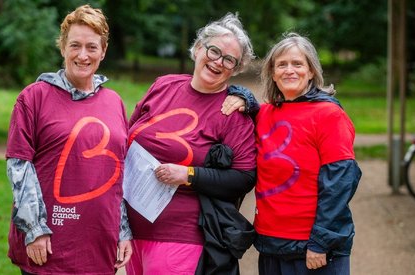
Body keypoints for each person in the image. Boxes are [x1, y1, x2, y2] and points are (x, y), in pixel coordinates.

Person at [124, 12, 257, 275]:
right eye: (214, 50)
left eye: (229, 59)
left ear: (236, 68)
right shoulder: (164, 85)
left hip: (181, 237)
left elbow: (244, 176)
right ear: (198, 48)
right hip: (133, 232)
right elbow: (127, 136)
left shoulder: (232, 112)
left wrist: (189, 175)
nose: (218, 61)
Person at [5, 5, 132, 274]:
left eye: (91, 47)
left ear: (104, 51)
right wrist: (35, 229)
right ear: (62, 47)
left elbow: (120, 173)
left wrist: (123, 230)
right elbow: (19, 166)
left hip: (99, 243)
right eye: (75, 45)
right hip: (49, 246)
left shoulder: (114, 102)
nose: (83, 55)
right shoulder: (34, 97)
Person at [253, 32, 362, 275]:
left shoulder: (329, 116)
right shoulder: (264, 114)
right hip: (270, 242)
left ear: (311, 71)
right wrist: (242, 98)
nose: (289, 70)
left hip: (314, 247)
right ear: (272, 73)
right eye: (281, 64)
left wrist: (321, 241)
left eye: (297, 64)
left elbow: (340, 181)